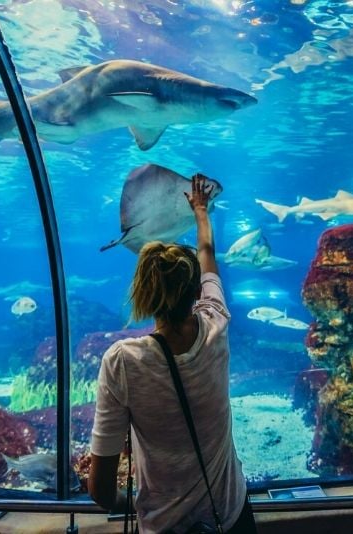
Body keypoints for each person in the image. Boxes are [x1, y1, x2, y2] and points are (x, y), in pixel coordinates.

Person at [88, 174, 257, 533]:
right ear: (197, 290)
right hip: (229, 515)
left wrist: (132, 506)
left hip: (165, 525)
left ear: (143, 293)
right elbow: (208, 254)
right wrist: (200, 211)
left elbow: (100, 488)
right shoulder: (216, 324)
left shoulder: (122, 362)